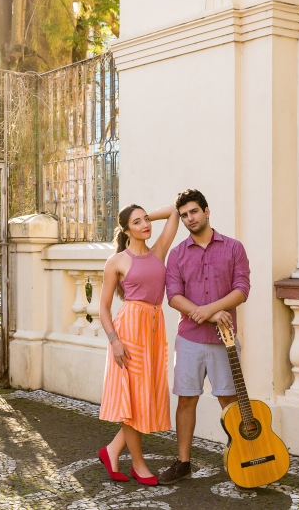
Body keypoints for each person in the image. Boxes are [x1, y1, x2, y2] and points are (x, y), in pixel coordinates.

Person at [158, 189, 251, 485]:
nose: (189, 219)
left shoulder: (234, 248)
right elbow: (174, 296)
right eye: (184, 215)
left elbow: (242, 289)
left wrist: (210, 309)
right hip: (190, 340)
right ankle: (183, 462)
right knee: (186, 399)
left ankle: (242, 453)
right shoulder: (177, 254)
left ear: (207, 211)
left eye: (194, 212)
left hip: (224, 339)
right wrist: (210, 314)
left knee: (230, 401)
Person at [98, 203, 180, 486]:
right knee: (132, 399)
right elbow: (104, 309)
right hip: (129, 332)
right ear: (126, 229)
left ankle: (111, 452)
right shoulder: (117, 261)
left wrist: (144, 215)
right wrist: (115, 342)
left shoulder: (158, 252)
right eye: (138, 222)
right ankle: (138, 464)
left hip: (155, 331)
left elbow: (174, 212)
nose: (146, 225)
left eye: (146, 220)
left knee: (144, 398)